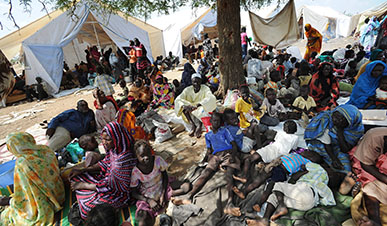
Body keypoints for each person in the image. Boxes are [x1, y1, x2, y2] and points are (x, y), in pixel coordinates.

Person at [69, 122, 137, 220]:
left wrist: (83, 185)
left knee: (87, 210)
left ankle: (85, 193)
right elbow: (105, 163)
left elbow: (111, 186)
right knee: (76, 176)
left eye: (108, 139)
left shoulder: (122, 161)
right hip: (107, 181)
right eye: (103, 139)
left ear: (117, 138)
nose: (104, 142)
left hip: (119, 193)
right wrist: (82, 170)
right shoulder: (115, 149)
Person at [0, 132, 65, 225]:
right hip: (59, 193)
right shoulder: (45, 149)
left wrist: (9, 201)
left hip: (48, 203)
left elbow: (25, 194)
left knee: (5, 216)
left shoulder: (23, 162)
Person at [247, 162, 335, 226]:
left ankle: (281, 207)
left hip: (306, 192)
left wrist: (304, 171)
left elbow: (295, 176)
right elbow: (328, 200)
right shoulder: (323, 183)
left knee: (276, 184)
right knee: (274, 196)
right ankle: (264, 220)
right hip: (308, 205)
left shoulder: (317, 169)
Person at [187, 112, 241, 217]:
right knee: (205, 173)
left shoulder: (225, 131)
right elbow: (209, 150)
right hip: (216, 156)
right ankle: (190, 195)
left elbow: (234, 145)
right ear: (210, 121)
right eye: (214, 120)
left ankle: (230, 203)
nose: (216, 123)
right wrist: (205, 160)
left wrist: (233, 156)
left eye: (218, 121)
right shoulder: (208, 135)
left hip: (227, 153)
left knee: (229, 175)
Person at [304, 104, 364, 172]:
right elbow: (327, 143)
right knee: (318, 160)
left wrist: (340, 131)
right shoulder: (326, 121)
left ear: (350, 122)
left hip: (337, 146)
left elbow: (344, 149)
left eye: (341, 119)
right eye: (335, 116)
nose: (335, 120)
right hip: (321, 144)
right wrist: (334, 159)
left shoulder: (356, 130)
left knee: (345, 169)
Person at [351, 128, 387, 226]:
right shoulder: (373, 136)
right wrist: (385, 179)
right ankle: (375, 221)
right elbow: (365, 164)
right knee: (370, 186)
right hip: (371, 168)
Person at [131, 140, 171, 226]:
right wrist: (149, 201)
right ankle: (158, 213)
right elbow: (133, 192)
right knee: (142, 219)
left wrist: (163, 194)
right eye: (142, 156)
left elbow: (165, 176)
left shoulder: (158, 160)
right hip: (148, 195)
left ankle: (162, 209)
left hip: (161, 187)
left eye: (148, 153)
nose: (146, 157)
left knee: (185, 187)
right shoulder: (135, 171)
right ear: (136, 156)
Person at [174, 73, 216, 138]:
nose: (196, 84)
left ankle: (199, 125)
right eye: (194, 82)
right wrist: (185, 105)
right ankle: (193, 125)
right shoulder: (187, 89)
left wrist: (198, 104)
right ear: (191, 82)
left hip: (200, 106)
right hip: (190, 107)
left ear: (201, 81)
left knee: (202, 110)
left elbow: (210, 97)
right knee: (183, 107)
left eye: (198, 81)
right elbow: (179, 99)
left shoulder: (205, 88)